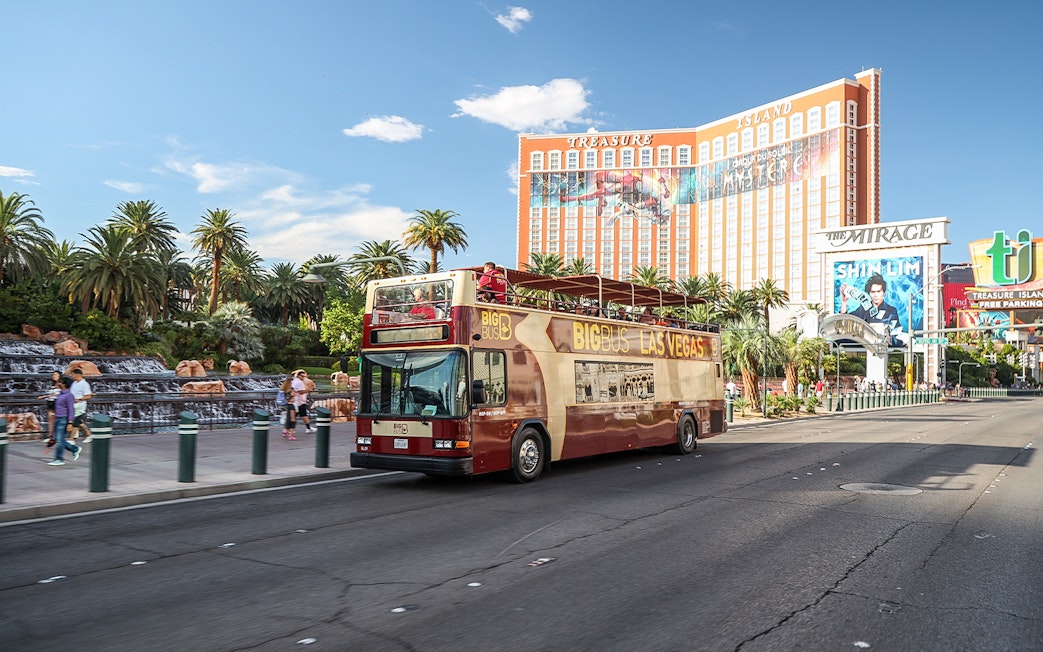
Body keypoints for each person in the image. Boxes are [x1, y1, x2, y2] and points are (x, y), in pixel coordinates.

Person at [48, 375, 82, 466]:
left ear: (64, 384)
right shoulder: (61, 394)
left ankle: (59, 459)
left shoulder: (69, 395)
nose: (58, 383)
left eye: (60, 382)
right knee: (57, 438)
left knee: (59, 440)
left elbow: (71, 409)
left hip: (64, 419)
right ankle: (74, 449)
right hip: (58, 418)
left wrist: (70, 423)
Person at [69, 368, 93, 443]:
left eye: (73, 374)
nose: (72, 376)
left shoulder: (84, 384)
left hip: (80, 406)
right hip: (73, 405)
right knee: (79, 422)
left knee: (75, 422)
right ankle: (89, 435)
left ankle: (71, 439)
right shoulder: (74, 383)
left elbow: (88, 395)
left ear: (78, 375)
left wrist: (79, 399)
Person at [36, 370, 61, 442]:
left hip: (58, 402)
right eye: (53, 375)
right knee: (50, 420)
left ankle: (58, 436)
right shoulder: (52, 385)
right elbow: (50, 394)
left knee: (58, 420)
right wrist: (43, 397)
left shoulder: (61, 384)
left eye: (56, 375)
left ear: (60, 376)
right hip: (50, 402)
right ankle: (51, 437)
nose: (54, 376)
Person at [291, 369, 315, 434]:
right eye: (302, 376)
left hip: (296, 401)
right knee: (303, 415)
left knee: (295, 416)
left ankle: (291, 429)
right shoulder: (299, 382)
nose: (303, 377)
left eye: (304, 376)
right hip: (300, 402)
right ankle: (308, 428)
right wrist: (308, 390)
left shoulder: (294, 381)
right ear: (298, 376)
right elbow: (300, 392)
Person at [279, 374, 297, 439]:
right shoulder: (290, 389)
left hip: (283, 404)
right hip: (289, 404)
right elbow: (292, 395)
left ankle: (286, 430)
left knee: (287, 418)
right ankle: (289, 432)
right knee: (291, 419)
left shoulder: (283, 387)